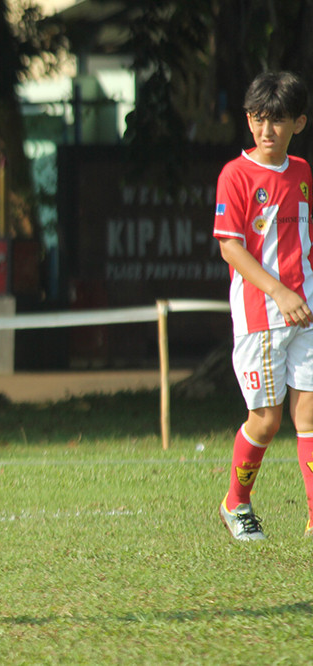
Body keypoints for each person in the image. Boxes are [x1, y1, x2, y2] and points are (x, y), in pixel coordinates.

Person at [212, 70, 313, 541]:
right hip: (262, 316)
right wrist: (279, 291)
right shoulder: (235, 175)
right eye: (257, 118)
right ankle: (236, 502)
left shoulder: (303, 172)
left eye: (277, 120)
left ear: (299, 123)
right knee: (267, 421)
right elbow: (230, 247)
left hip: (306, 312)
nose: (266, 129)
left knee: (309, 417)